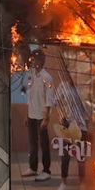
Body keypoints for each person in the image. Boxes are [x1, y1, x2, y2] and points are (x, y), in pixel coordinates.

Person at [21, 49, 54, 181]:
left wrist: (46, 118)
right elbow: (30, 97)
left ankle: (46, 170)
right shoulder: (32, 76)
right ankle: (33, 168)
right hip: (32, 115)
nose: (33, 61)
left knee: (43, 144)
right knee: (32, 144)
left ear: (41, 60)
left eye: (35, 59)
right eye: (32, 59)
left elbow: (49, 99)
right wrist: (26, 115)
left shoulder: (47, 77)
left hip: (41, 116)